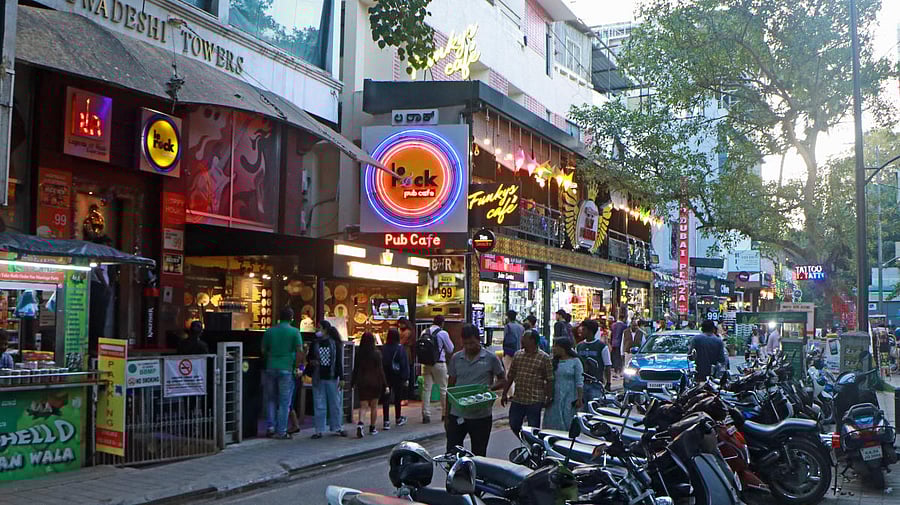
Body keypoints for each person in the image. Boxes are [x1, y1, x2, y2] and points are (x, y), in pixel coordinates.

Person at [447, 323, 506, 456]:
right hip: (458, 412)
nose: (469, 347)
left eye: (472, 343)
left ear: (479, 340)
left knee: (479, 452)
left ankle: (478, 475)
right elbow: (451, 386)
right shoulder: (456, 358)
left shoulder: (491, 358)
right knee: (452, 451)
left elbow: (503, 379)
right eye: (466, 343)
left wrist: (490, 388)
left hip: (481, 414)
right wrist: (447, 416)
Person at [262, 307, 304, 439]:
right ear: (291, 318)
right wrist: (298, 367)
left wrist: (272, 356)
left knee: (270, 399)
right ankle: (282, 431)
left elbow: (263, 350)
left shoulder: (270, 331)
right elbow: (299, 352)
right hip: (286, 369)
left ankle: (270, 427)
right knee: (284, 401)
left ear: (279, 317)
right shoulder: (295, 332)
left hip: (270, 367)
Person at [501, 330, 553, 436]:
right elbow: (511, 375)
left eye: (525, 338)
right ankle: (525, 441)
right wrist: (504, 393)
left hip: (534, 399)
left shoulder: (544, 358)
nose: (521, 340)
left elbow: (549, 379)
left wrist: (549, 396)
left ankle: (533, 448)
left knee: (533, 428)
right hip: (519, 398)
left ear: (533, 340)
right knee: (514, 423)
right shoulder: (518, 355)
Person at [307, 321, 347, 438]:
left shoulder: (334, 344)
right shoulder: (315, 343)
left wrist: (342, 377)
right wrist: (312, 362)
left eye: (318, 327)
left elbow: (339, 361)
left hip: (332, 377)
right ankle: (319, 429)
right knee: (320, 403)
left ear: (324, 329)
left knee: (334, 403)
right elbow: (309, 357)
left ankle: (337, 427)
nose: (316, 329)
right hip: (319, 377)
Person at [351, 332, 387, 438]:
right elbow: (381, 370)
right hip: (375, 382)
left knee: (363, 406)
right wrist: (385, 384)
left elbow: (356, 369)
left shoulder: (359, 353)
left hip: (362, 381)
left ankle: (361, 423)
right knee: (374, 406)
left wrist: (352, 382)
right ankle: (372, 427)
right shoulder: (377, 353)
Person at [543, 338, 584, 430]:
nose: (553, 349)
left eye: (556, 346)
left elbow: (579, 381)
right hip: (555, 395)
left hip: (569, 396)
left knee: (567, 419)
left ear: (563, 348)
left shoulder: (575, 361)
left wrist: (579, 398)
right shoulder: (552, 362)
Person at [421, 315, 454, 424]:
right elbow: (450, 349)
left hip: (426, 364)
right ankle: (445, 414)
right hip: (439, 363)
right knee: (443, 389)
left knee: (426, 389)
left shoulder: (424, 332)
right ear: (442, 323)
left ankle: (426, 415)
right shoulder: (443, 333)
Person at [381, 327, 409, 430]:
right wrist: (405, 377)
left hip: (386, 375)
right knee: (398, 397)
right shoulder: (400, 348)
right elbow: (404, 363)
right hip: (398, 375)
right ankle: (398, 418)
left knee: (386, 398)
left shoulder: (384, 348)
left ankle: (386, 421)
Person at [577, 319, 612, 398]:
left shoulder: (601, 346)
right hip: (582, 384)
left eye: (584, 329)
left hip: (596, 384)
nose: (581, 331)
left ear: (590, 331)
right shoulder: (579, 346)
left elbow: (608, 365)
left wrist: (608, 383)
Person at [502, 310, 525, 386]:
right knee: (517, 371)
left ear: (508, 317)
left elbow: (505, 338)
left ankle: (510, 391)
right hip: (519, 350)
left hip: (509, 351)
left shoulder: (508, 326)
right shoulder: (521, 327)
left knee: (508, 370)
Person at [397, 317, 416, 401]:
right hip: (408, 353)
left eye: (401, 324)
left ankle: (405, 396)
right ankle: (408, 394)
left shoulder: (407, 332)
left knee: (406, 373)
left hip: (406, 353)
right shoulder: (409, 331)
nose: (399, 325)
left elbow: (401, 342)